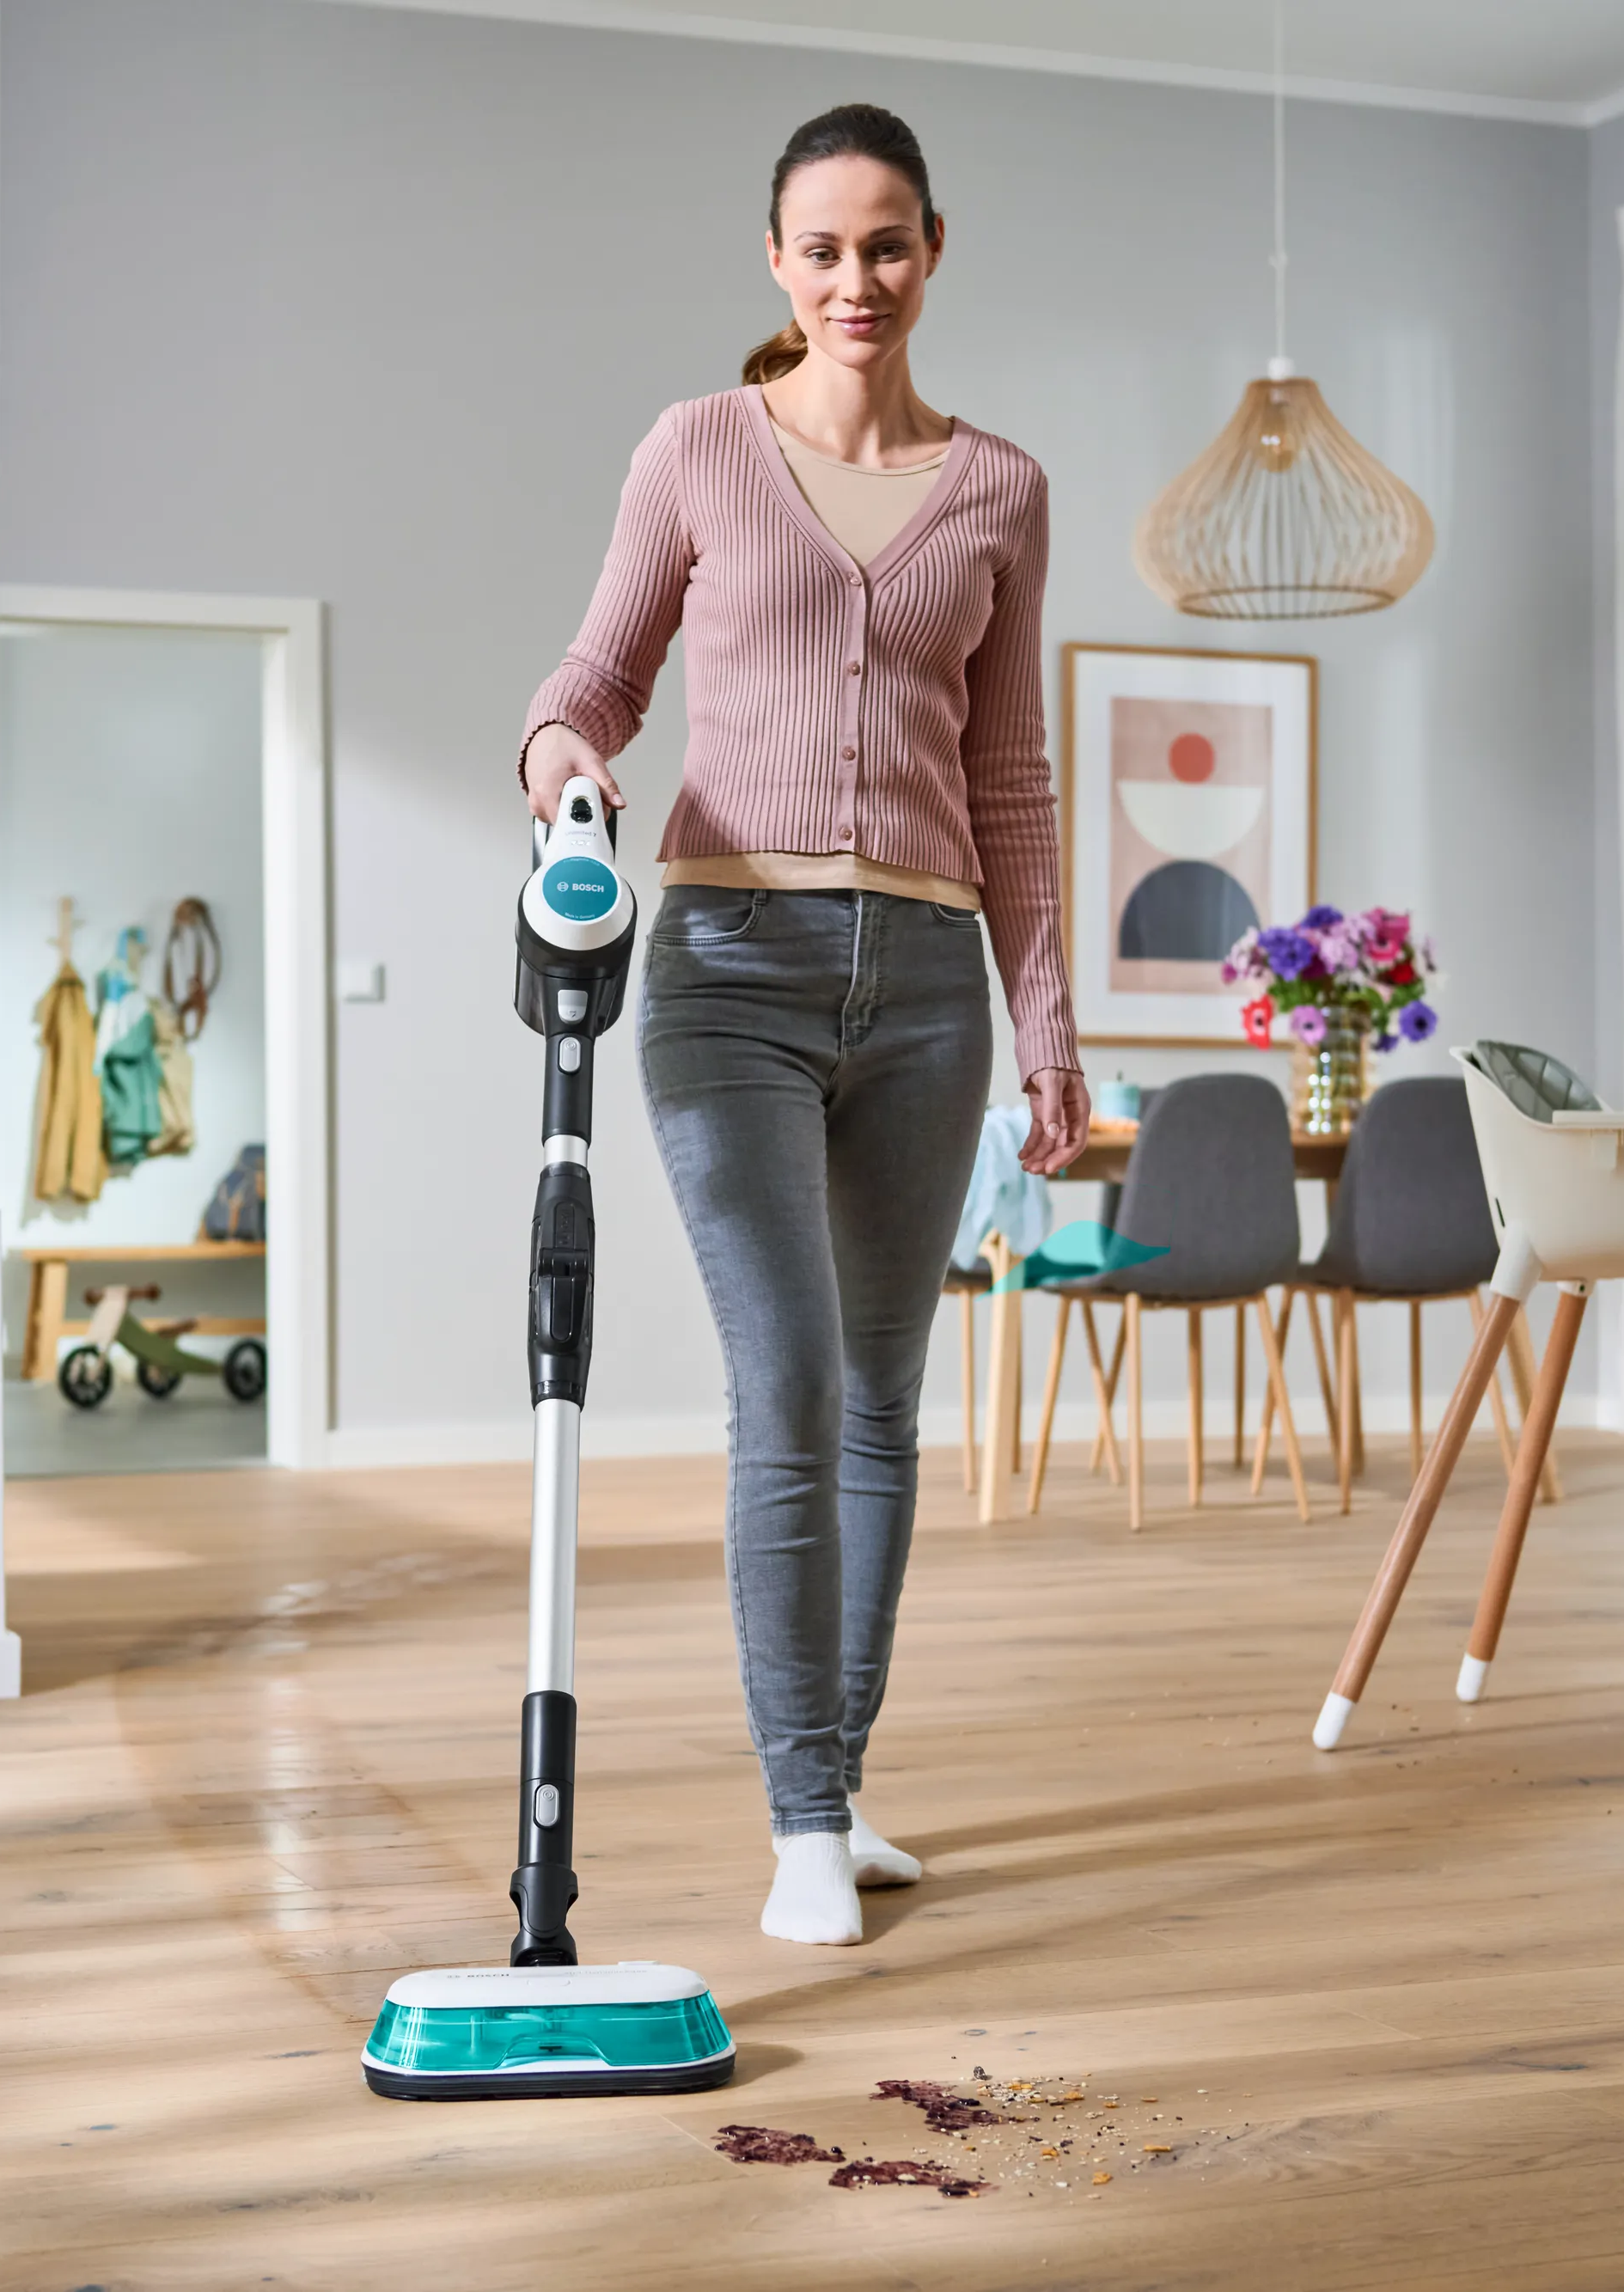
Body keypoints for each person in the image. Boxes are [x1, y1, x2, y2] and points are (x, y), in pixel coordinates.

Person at [516, 102, 1086, 1946]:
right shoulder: (695, 449)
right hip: (726, 974)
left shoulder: (1000, 490)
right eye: (822, 246)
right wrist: (560, 762)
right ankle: (796, 1823)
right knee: (786, 1382)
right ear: (774, 258)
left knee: (881, 1401)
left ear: (934, 251)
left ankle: (838, 1779)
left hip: (925, 991)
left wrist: (1046, 1022)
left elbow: (1008, 778)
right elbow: (596, 674)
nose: (857, 278)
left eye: (889, 244)